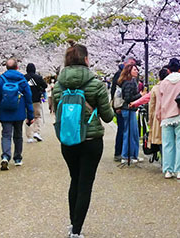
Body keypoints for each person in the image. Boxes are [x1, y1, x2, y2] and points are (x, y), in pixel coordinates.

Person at [52, 41, 114, 238]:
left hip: (68, 139)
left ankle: (73, 225)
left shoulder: (58, 85)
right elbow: (108, 116)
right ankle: (77, 230)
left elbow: (56, 111)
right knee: (85, 183)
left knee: (75, 179)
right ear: (86, 59)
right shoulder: (96, 84)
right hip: (91, 140)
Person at [155, 58, 180, 179]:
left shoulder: (163, 83)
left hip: (166, 117)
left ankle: (168, 170)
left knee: (167, 144)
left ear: (168, 70)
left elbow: (159, 102)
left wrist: (158, 116)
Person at [0, 59, 33, 171]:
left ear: (6, 67)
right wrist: (30, 115)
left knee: (6, 135)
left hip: (5, 111)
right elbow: (28, 98)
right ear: (17, 67)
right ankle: (17, 158)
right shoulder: (22, 80)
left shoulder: (1, 79)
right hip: (19, 111)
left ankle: (5, 156)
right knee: (18, 135)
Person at [110, 57, 136, 162]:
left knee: (124, 130)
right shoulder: (120, 74)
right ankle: (119, 153)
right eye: (131, 63)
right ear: (125, 63)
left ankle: (123, 152)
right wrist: (116, 106)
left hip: (123, 106)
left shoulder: (127, 76)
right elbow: (116, 92)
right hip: (121, 106)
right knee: (122, 130)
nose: (133, 66)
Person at [117, 63, 143, 164]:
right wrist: (140, 95)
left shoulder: (130, 81)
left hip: (130, 110)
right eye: (134, 70)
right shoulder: (128, 82)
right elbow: (127, 98)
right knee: (129, 133)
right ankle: (127, 155)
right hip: (128, 110)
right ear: (129, 71)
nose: (137, 71)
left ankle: (133, 155)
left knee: (133, 133)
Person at [146, 67, 169, 156]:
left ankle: (164, 162)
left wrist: (150, 120)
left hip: (158, 118)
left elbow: (151, 106)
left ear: (159, 77)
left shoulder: (155, 88)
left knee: (160, 141)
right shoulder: (172, 87)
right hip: (170, 116)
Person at [24, 63, 48, 143]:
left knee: (28, 118)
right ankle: (36, 132)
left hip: (26, 101)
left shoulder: (24, 78)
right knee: (37, 116)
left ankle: (29, 136)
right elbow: (45, 85)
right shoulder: (38, 77)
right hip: (36, 100)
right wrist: (40, 89)